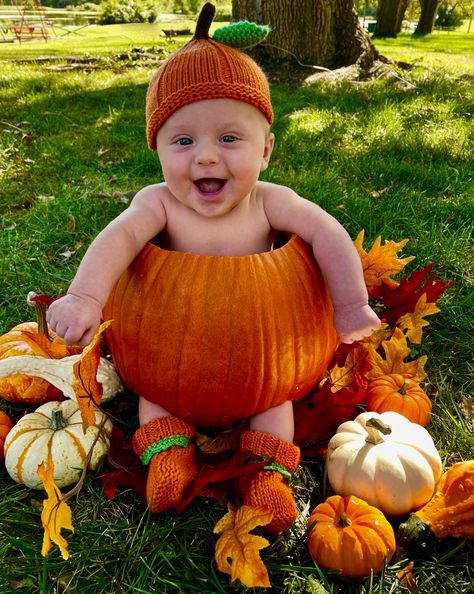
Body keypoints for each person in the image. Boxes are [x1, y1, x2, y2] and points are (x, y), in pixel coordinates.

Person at [46, 3, 380, 533]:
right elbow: (120, 238)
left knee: (276, 403)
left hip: (263, 364)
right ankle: (168, 457)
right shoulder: (156, 204)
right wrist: (85, 298)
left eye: (229, 138)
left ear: (266, 150)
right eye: (184, 141)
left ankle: (268, 475)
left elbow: (326, 232)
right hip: (167, 359)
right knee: (153, 394)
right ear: (157, 149)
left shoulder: (272, 202)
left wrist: (349, 304)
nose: (205, 157)